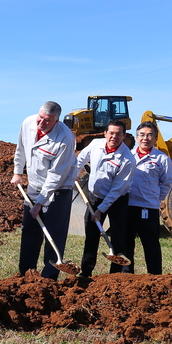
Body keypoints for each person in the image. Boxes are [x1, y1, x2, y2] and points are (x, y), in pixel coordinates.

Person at [11, 101, 77, 279]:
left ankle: (49, 278)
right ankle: (27, 273)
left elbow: (56, 175)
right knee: (30, 230)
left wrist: (40, 202)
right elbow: (21, 149)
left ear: (57, 121)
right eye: (40, 117)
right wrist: (18, 172)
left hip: (58, 190)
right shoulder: (28, 123)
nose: (41, 123)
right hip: (34, 185)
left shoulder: (65, 139)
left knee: (53, 234)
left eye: (47, 121)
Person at [75, 120, 134, 277]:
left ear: (124, 135)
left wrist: (101, 210)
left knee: (118, 237)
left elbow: (117, 190)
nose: (114, 136)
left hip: (117, 201)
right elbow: (81, 158)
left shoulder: (127, 159)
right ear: (105, 133)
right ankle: (86, 271)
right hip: (95, 197)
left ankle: (114, 275)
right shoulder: (96, 144)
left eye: (118, 134)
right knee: (91, 235)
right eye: (111, 133)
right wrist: (74, 174)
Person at [124, 121, 172, 274]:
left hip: (148, 208)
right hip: (127, 206)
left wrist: (153, 198)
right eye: (142, 135)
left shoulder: (162, 159)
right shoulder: (128, 155)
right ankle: (126, 275)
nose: (145, 138)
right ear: (137, 137)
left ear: (155, 138)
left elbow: (167, 182)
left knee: (150, 243)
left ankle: (154, 275)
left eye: (150, 135)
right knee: (126, 243)